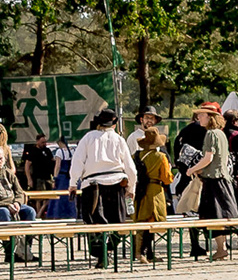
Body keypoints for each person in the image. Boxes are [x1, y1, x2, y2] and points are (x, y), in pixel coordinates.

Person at [69, 109, 133, 267]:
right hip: (116, 183)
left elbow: (77, 162)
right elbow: (131, 167)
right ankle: (107, 251)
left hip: (93, 185)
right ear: (114, 123)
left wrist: (72, 183)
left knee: (95, 223)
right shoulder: (119, 139)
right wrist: (132, 187)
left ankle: (103, 253)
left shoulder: (88, 138)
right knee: (117, 222)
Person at [189, 101, 237, 261]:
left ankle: (221, 248)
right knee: (217, 215)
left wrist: (193, 169)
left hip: (215, 181)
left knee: (214, 215)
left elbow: (208, 157)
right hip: (220, 178)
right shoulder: (221, 134)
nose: (199, 117)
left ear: (210, 117)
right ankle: (221, 248)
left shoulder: (211, 134)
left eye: (202, 114)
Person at [0, 143, 37, 262]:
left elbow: (20, 193)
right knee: (4, 213)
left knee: (30, 211)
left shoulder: (8, 173)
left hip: (12, 205)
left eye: (1, 158)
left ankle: (25, 250)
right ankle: (10, 253)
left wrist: (17, 204)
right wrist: (5, 205)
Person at [131, 126, 173, 262]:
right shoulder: (161, 157)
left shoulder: (136, 156)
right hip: (155, 191)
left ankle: (141, 253)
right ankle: (144, 253)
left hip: (139, 191)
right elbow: (167, 178)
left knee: (140, 222)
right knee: (151, 223)